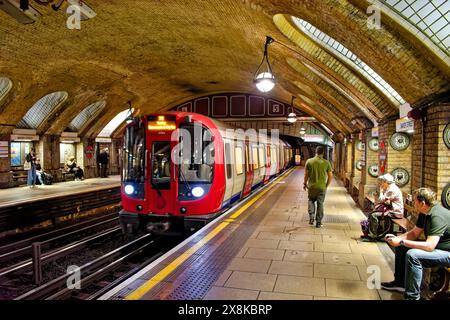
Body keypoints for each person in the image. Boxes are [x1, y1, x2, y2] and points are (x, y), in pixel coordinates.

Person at [381, 188, 450, 300]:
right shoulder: (425, 212)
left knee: (413, 255)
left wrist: (402, 241)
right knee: (402, 247)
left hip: (447, 252)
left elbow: (429, 246)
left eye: (414, 201)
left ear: (422, 203)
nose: (412, 203)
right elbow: (414, 233)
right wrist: (397, 239)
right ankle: (400, 283)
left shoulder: (436, 216)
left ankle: (412, 297)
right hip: (438, 248)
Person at [363, 174, 404, 240]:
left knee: (374, 215)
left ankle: (372, 236)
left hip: (395, 212)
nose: (381, 183)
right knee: (373, 213)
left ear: (386, 182)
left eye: (382, 182)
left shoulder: (392, 189)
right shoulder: (390, 187)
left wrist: (381, 191)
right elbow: (383, 201)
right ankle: (373, 233)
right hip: (391, 209)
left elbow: (381, 200)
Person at [303, 146, 333, 228]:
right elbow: (330, 175)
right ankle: (319, 222)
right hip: (321, 187)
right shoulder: (326, 162)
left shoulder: (309, 161)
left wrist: (305, 183)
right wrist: (326, 185)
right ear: (323, 153)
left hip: (312, 187)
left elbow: (306, 175)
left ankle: (311, 217)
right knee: (320, 204)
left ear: (316, 152)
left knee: (311, 200)